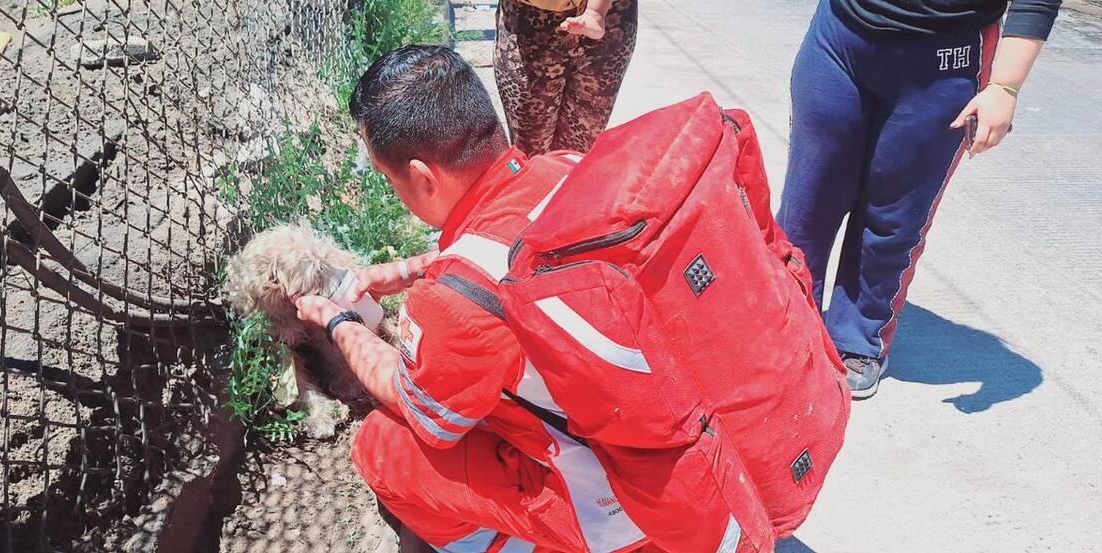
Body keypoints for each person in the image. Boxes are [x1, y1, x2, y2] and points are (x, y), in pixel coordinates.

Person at [294, 45, 848, 553]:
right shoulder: (566, 168)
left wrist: (342, 321)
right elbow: (508, 246)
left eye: (389, 180)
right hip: (716, 437)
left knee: (381, 449)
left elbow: (428, 415)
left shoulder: (452, 303)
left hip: (627, 508)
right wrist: (408, 270)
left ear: (421, 176)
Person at [776, 0, 1060, 399]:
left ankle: (857, 337)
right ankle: (783, 326)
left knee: (894, 215)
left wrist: (1005, 86)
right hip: (839, 37)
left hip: (945, 61)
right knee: (807, 203)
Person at [494, 0, 637, 155]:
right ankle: (595, 14)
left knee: (576, 154)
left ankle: (595, 14)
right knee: (530, 155)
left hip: (610, 22)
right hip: (529, 22)